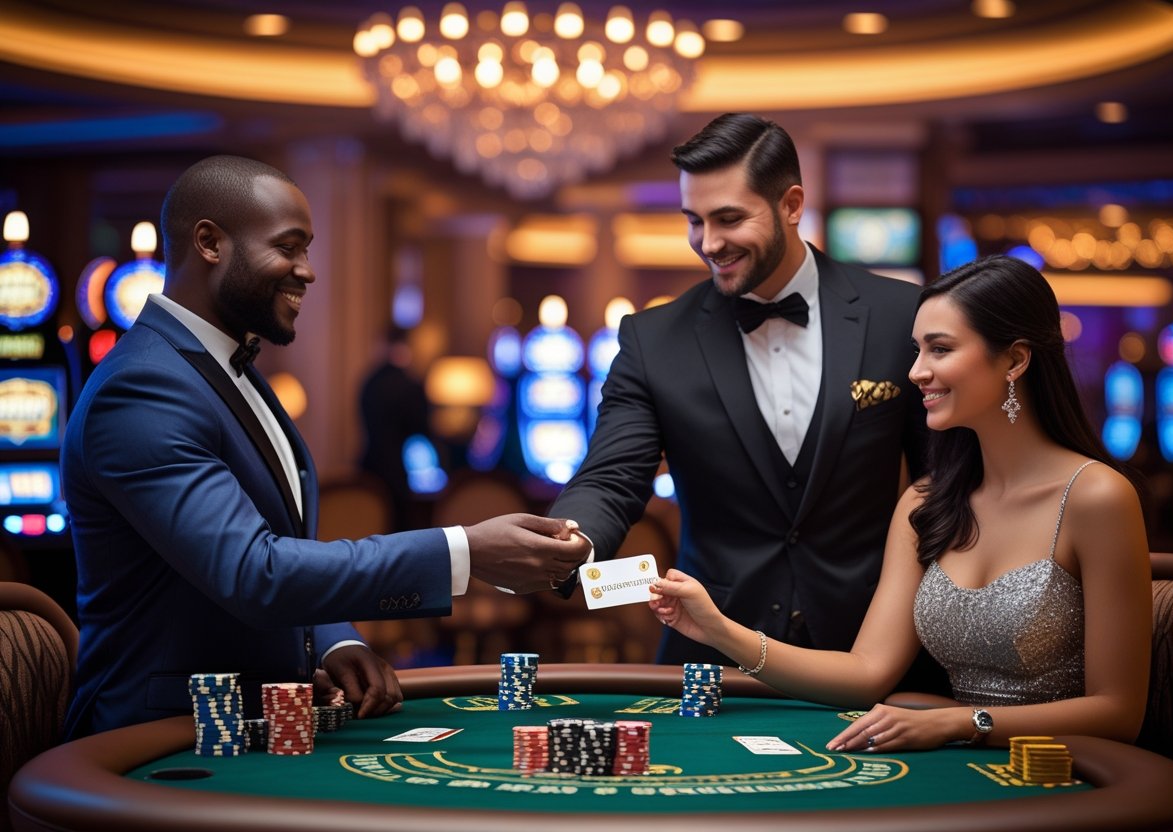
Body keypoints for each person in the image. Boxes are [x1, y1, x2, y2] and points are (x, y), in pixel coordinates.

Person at [62, 155, 586, 739]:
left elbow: (279, 548)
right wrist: (464, 552)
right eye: (288, 248)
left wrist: (330, 635)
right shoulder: (143, 387)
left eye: (307, 250)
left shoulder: (224, 367)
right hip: (154, 741)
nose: (307, 271)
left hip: (252, 726)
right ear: (210, 243)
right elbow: (253, 572)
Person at [649, 255, 1152, 751]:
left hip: (1064, 773)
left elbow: (1118, 712)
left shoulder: (1096, 496)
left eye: (939, 349)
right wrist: (720, 630)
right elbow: (865, 672)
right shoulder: (927, 502)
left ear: (1015, 360)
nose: (915, 372)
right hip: (960, 770)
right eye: (916, 350)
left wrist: (959, 723)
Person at [551, 113, 931, 673]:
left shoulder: (902, 315)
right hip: (711, 654)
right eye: (694, 220)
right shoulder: (652, 340)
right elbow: (612, 476)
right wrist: (570, 544)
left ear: (792, 205)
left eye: (729, 218)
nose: (709, 243)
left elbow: (942, 483)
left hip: (873, 646)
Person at [357, 324, 431, 529]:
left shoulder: (369, 381)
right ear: (406, 347)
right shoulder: (409, 384)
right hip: (399, 472)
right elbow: (423, 428)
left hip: (368, 469)